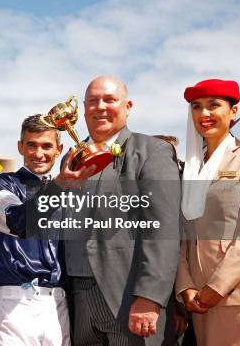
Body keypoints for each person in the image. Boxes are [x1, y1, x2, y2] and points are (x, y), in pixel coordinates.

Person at [61, 75, 182, 345]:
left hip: (127, 297)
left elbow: (163, 227)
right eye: (93, 101)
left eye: (109, 100)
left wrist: (149, 296)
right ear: (83, 108)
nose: (100, 107)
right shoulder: (70, 158)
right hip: (78, 299)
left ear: (128, 106)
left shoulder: (152, 151)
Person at [176, 78, 240, 346]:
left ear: (233, 112)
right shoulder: (191, 169)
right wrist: (185, 287)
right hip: (200, 303)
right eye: (197, 107)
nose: (204, 114)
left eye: (214, 105)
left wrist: (217, 287)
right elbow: (184, 236)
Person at [0, 114, 71, 345]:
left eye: (46, 146)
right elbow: (19, 222)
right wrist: (60, 184)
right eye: (31, 145)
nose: (38, 153)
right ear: (20, 147)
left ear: (59, 149)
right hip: (14, 303)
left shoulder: (71, 191)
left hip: (58, 303)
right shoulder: (0, 184)